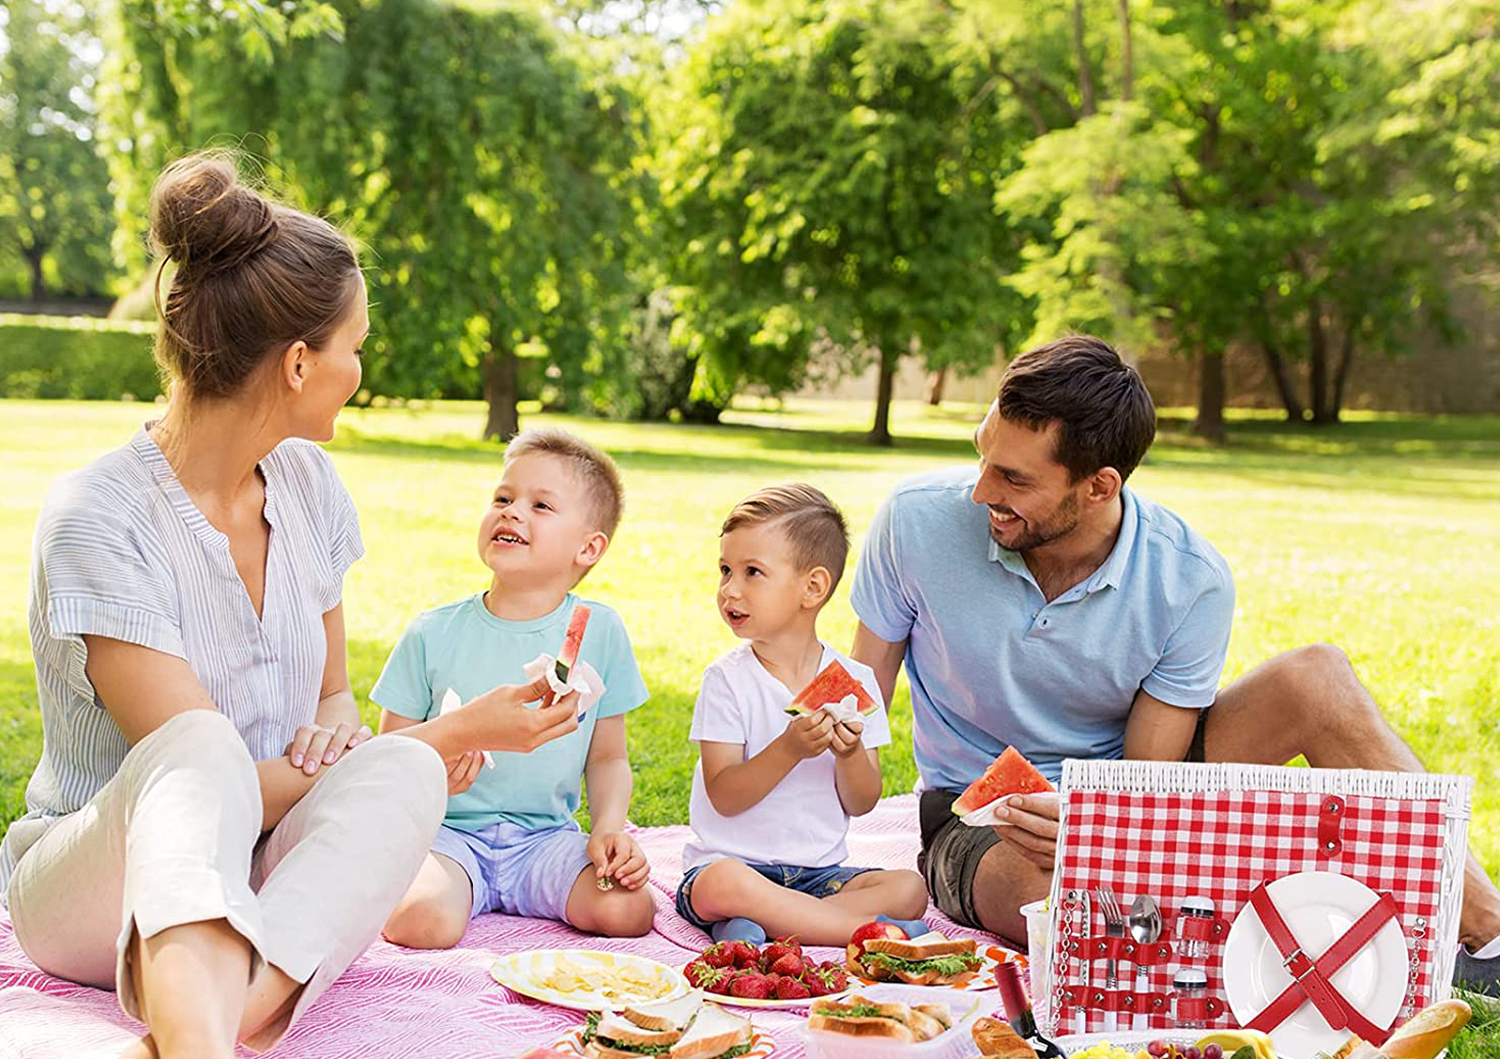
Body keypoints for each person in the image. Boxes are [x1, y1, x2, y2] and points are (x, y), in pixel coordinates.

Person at [0, 153, 581, 1059]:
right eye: (356, 350)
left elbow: (328, 701)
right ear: (301, 361)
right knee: (213, 743)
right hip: (96, 886)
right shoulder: (97, 517)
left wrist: (381, 747)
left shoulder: (310, 489)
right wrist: (455, 734)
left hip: (257, 868)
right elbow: (189, 773)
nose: (362, 369)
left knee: (404, 776)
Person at [850, 334, 1500, 994]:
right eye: (983, 455)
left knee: (1317, 676)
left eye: (1015, 479)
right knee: (1081, 918)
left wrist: (1093, 821)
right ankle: (1323, 953)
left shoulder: (1187, 577)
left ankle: (1488, 934)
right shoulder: (913, 524)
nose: (979, 490)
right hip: (979, 822)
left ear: (1100, 485)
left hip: (1133, 793)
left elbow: (1150, 782)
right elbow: (856, 704)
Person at [372, 428, 654, 948]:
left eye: (541, 505)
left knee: (630, 909)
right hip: (447, 837)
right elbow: (389, 756)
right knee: (422, 921)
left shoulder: (601, 631)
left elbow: (608, 758)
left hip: (546, 841)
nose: (511, 511)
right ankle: (440, 889)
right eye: (502, 498)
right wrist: (442, 759)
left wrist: (609, 828)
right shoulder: (432, 632)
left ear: (589, 548)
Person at [675, 484, 929, 946]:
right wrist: (789, 749)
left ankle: (767, 927)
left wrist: (851, 753)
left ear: (812, 587)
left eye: (753, 572)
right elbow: (725, 796)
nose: (730, 589)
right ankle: (866, 933)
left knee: (909, 889)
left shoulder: (854, 680)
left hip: (818, 876)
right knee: (724, 885)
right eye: (725, 570)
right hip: (731, 866)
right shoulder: (726, 680)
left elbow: (862, 801)